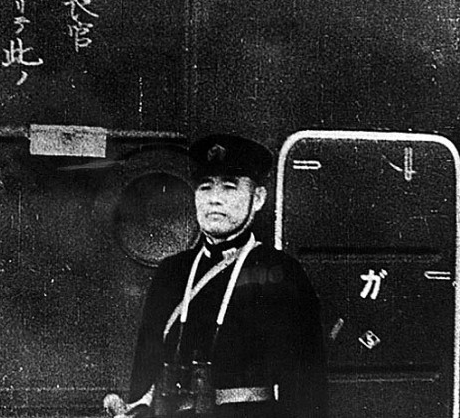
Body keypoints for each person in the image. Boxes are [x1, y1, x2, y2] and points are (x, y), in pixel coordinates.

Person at [119, 134, 328, 418]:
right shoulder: (172, 272)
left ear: (258, 199)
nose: (214, 199)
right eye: (205, 188)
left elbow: (305, 387)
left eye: (229, 187)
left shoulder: (282, 273)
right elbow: (143, 375)